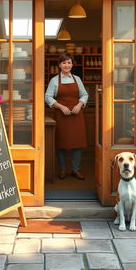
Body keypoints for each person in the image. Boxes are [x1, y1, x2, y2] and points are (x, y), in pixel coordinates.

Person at [45, 52, 88, 180]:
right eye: (64, 63)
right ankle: (63, 168)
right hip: (61, 115)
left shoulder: (77, 79)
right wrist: (61, 107)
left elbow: (84, 95)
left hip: (76, 115)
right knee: (60, 142)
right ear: (59, 65)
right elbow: (47, 97)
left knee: (78, 143)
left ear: (72, 64)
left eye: (69, 62)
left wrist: (79, 105)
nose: (67, 65)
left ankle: (76, 169)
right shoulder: (54, 80)